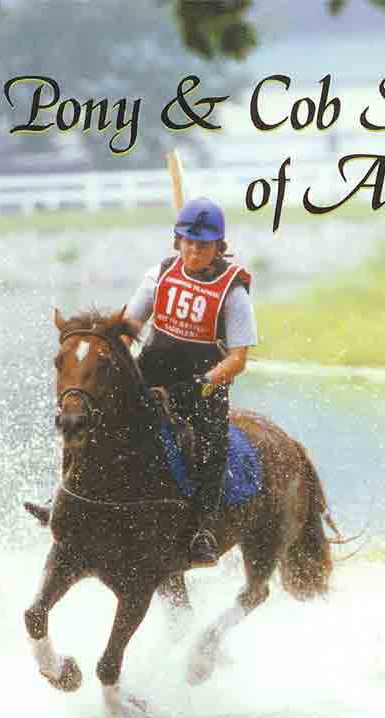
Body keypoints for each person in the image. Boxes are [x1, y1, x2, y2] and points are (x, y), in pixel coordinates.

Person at [125, 197, 257, 566]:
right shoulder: (159, 276)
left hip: (202, 386)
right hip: (150, 374)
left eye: (204, 245)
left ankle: (203, 530)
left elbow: (238, 358)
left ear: (219, 248)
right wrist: (117, 365)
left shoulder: (234, 292)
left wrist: (202, 384)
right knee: (98, 418)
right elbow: (128, 329)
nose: (195, 250)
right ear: (177, 241)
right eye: (189, 242)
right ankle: (64, 498)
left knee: (212, 447)